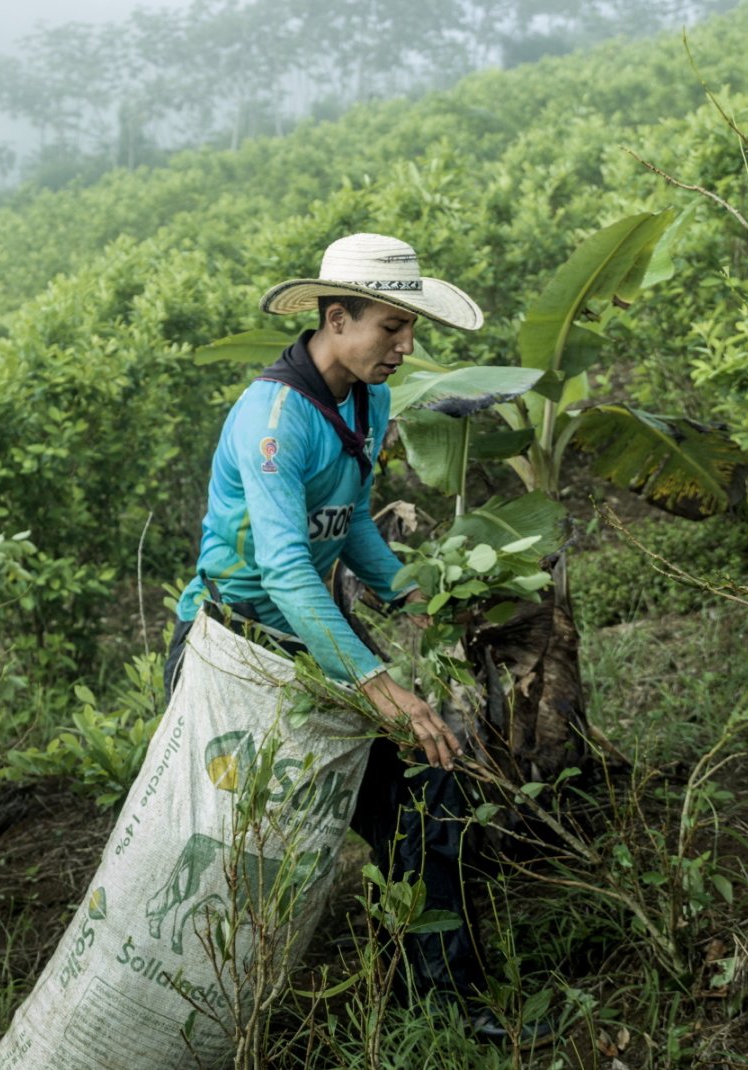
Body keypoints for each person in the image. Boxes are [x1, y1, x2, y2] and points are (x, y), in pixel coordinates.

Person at [165, 233, 549, 1043]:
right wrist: (380, 684)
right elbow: (283, 569)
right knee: (228, 845)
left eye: (412, 329)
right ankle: (218, 1024)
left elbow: (344, 527)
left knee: (425, 785)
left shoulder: (369, 401)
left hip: (315, 646)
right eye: (391, 328)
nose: (407, 347)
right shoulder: (273, 420)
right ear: (336, 319)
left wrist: (409, 595)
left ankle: (437, 999)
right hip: (234, 652)